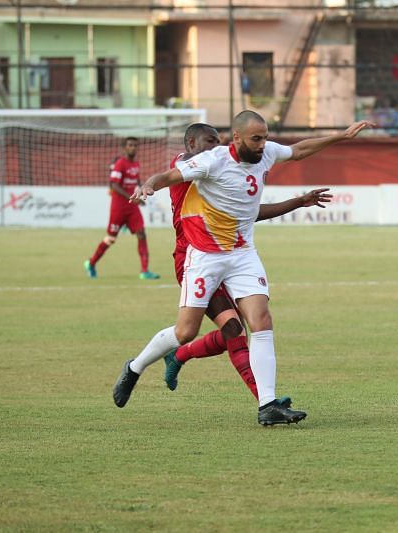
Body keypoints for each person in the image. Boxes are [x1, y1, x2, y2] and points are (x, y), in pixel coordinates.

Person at [112, 111, 374, 426]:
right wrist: (148, 186)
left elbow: (299, 150)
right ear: (237, 138)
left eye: (265, 137)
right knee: (186, 331)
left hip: (242, 253)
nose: (264, 145)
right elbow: (168, 176)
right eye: (256, 138)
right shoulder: (211, 162)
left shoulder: (266, 153)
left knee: (260, 320)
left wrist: (342, 136)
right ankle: (135, 367)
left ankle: (267, 405)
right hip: (204, 256)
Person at [163, 123, 330, 409]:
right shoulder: (189, 165)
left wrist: (297, 200)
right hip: (196, 256)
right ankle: (264, 400)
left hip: (230, 253)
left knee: (243, 326)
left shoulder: (221, 166)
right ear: (190, 143)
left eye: (218, 141)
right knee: (231, 329)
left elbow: (249, 212)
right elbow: (172, 173)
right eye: (208, 141)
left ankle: (263, 399)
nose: (214, 147)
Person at [84, 137, 160, 280]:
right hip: (118, 207)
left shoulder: (136, 164)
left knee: (142, 234)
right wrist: (131, 197)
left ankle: (144, 271)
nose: (133, 148)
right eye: (130, 145)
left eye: (135, 145)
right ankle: (91, 262)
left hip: (132, 207)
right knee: (110, 239)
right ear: (124, 148)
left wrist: (140, 194)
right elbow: (114, 185)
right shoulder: (120, 164)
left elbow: (136, 181)